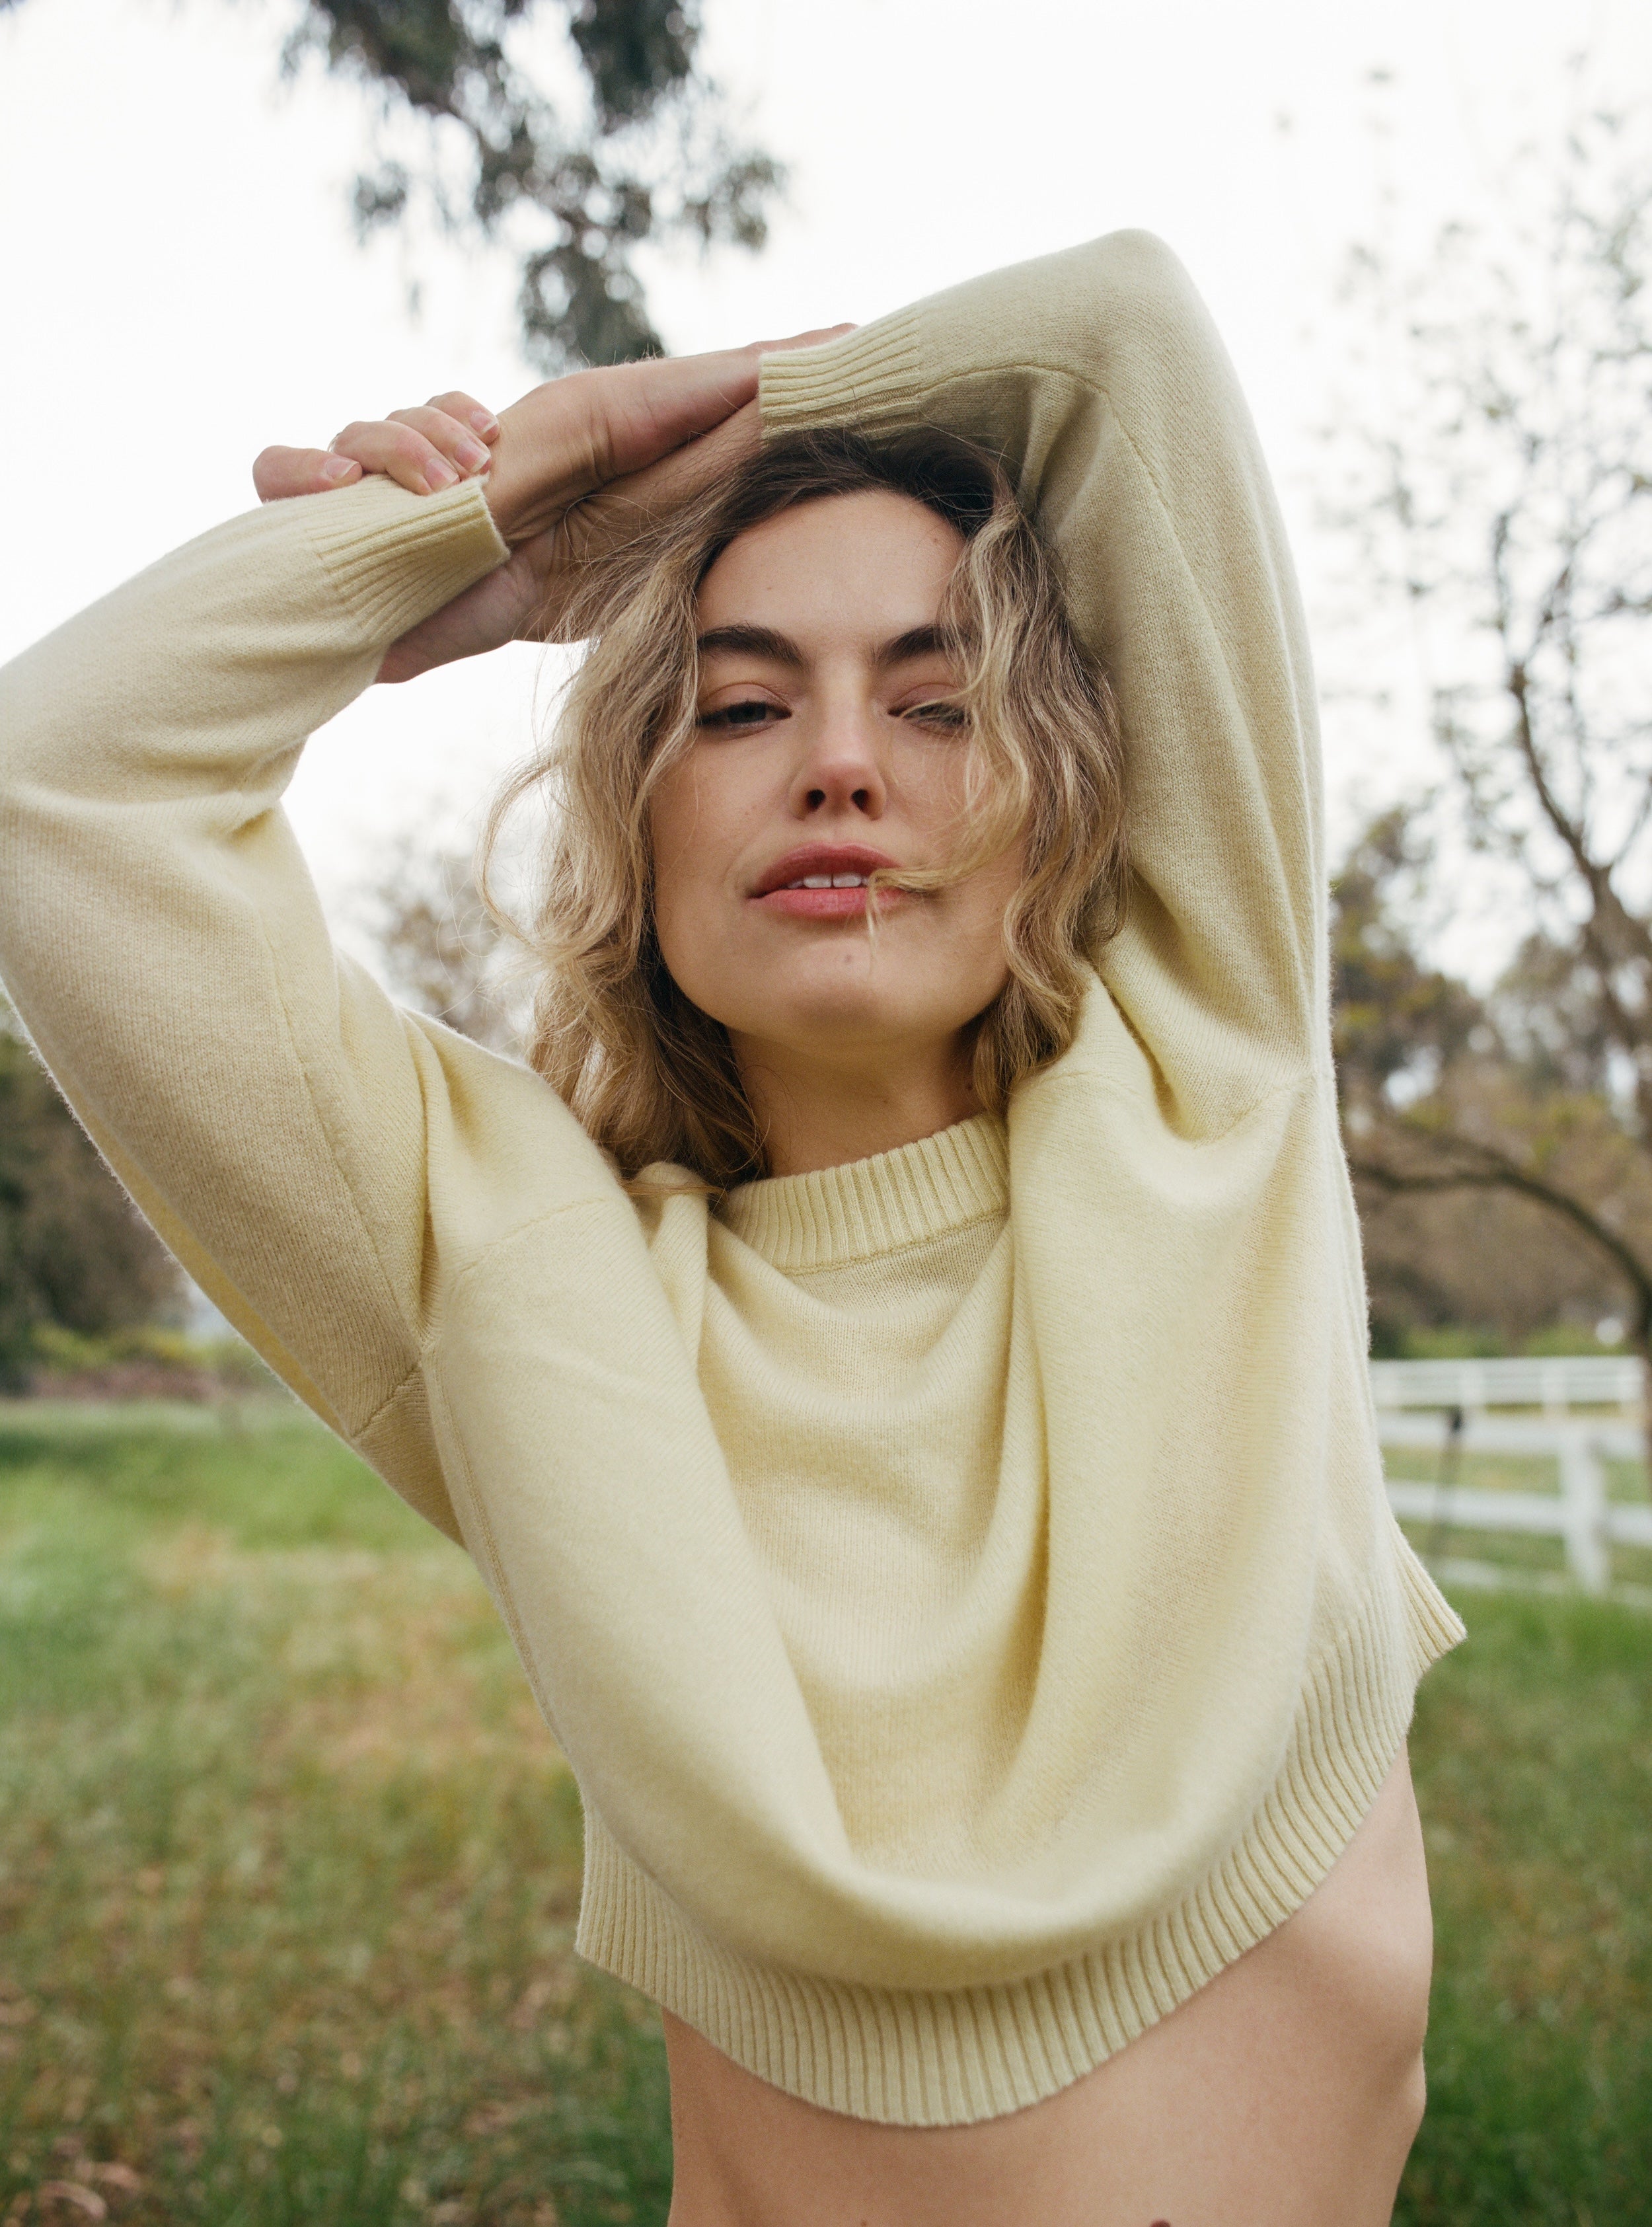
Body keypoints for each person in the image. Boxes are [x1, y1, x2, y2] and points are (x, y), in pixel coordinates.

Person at [0, 233, 1464, 2224]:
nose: (843, 764)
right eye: (741, 702)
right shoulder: (514, 1264)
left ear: (1055, 800)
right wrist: (485, 517)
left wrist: (658, 481)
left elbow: (1118, 334)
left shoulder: (1214, 1102)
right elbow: (54, 785)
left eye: (939, 705)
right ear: (639, 806)